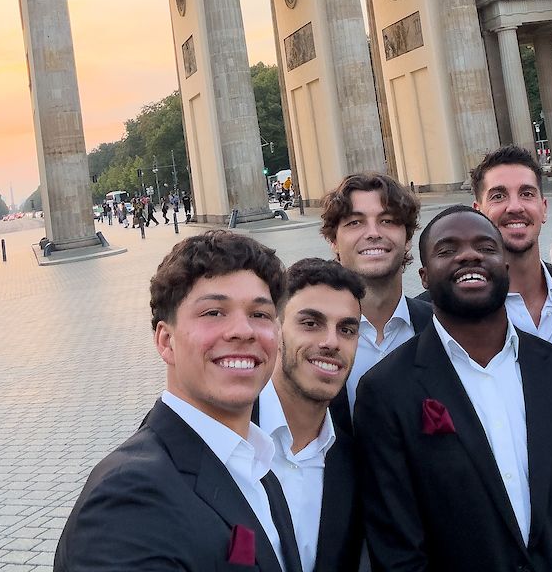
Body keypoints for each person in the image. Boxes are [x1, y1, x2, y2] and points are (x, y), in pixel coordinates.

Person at [355, 205, 552, 571]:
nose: (469, 255)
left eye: (485, 247)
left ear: (505, 266)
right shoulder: (386, 392)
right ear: (424, 277)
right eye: (447, 250)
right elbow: (398, 549)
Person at [54, 231, 300, 572]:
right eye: (214, 312)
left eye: (259, 314)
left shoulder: (257, 463)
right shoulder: (128, 499)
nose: (243, 330)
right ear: (166, 341)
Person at [255, 258, 365, 572]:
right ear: (275, 329)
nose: (331, 342)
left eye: (346, 329)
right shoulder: (226, 437)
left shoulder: (352, 460)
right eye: (310, 323)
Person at [320, 172, 432, 430]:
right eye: (355, 223)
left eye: (388, 220)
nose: (373, 233)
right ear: (333, 241)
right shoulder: (311, 341)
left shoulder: (440, 328)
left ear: (407, 239)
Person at [468, 145, 552, 351]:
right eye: (498, 196)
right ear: (477, 213)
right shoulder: (454, 306)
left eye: (526, 193)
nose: (515, 207)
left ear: (543, 208)